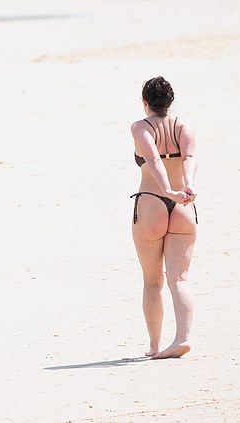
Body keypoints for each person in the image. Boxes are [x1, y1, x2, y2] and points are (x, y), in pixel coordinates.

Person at [130, 76, 198, 359]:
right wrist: (186, 185)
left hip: (152, 204)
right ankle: (182, 338)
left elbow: (153, 159)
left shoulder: (140, 127)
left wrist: (167, 191)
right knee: (179, 279)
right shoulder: (182, 125)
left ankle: (155, 347)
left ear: (145, 103)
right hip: (184, 206)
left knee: (152, 281)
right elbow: (189, 158)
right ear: (170, 102)